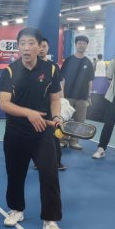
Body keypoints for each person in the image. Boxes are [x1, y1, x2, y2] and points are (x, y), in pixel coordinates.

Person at [0, 27, 67, 229]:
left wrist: (57, 117)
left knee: (50, 175)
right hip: (16, 132)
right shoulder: (9, 71)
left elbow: (55, 99)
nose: (26, 48)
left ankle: (50, 222)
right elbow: (4, 104)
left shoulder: (51, 69)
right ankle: (16, 209)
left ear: (40, 47)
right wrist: (29, 113)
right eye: (22, 44)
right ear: (18, 47)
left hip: (43, 133)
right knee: (15, 174)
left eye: (31, 43)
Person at [58, 35, 94, 150]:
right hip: (68, 95)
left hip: (82, 97)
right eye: (79, 43)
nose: (81, 45)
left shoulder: (88, 62)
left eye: (84, 43)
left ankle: (74, 141)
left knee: (79, 121)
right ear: (76, 44)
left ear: (86, 46)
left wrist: (89, 96)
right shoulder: (68, 60)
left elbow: (90, 81)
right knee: (65, 119)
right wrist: (62, 95)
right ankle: (63, 140)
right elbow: (62, 79)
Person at [37, 37, 66, 171]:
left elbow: (59, 84)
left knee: (54, 136)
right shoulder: (32, 65)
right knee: (38, 135)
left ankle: (57, 162)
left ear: (48, 48)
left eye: (44, 46)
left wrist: (61, 100)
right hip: (37, 107)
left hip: (52, 107)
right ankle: (37, 161)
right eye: (40, 46)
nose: (41, 49)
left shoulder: (53, 67)